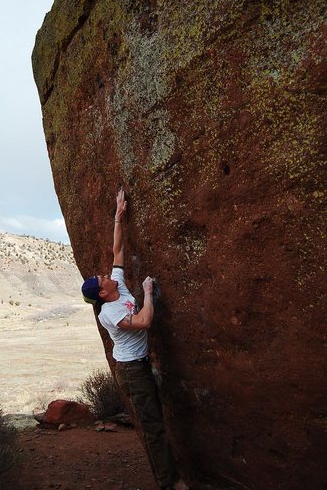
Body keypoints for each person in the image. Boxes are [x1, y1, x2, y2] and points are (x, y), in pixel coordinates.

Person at [81, 188, 189, 490]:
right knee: (153, 427)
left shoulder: (118, 288)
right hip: (132, 371)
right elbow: (144, 321)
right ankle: (170, 483)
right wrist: (148, 292)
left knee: (159, 417)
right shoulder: (110, 311)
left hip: (141, 365)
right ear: (103, 292)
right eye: (103, 279)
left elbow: (117, 251)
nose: (107, 273)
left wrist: (118, 217)